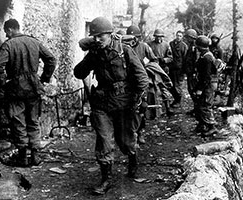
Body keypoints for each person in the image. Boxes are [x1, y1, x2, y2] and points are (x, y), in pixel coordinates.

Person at [74, 17, 148, 195]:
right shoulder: (95, 52)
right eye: (95, 37)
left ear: (110, 34)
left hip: (124, 103)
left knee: (125, 141)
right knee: (104, 140)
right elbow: (78, 72)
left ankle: (132, 158)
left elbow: (142, 78)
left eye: (101, 36)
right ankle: (106, 179)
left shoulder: (125, 50)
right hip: (102, 103)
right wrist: (89, 55)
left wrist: (139, 100)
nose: (98, 40)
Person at [0, 19, 56, 167]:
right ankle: (35, 156)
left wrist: (4, 82)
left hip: (16, 89)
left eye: (6, 32)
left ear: (10, 30)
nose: (6, 35)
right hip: (34, 88)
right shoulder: (34, 42)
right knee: (34, 120)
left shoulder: (9, 45)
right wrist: (44, 78)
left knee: (18, 122)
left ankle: (22, 157)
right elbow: (51, 60)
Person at [125, 25, 158, 144]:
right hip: (128, 81)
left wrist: (145, 65)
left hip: (142, 81)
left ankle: (140, 132)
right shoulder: (123, 48)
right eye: (129, 37)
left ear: (139, 38)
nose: (132, 40)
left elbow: (154, 60)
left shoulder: (144, 47)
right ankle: (129, 133)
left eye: (135, 37)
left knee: (142, 108)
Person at [194, 35, 218, 137]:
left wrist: (200, 89)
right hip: (207, 83)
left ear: (200, 47)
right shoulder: (205, 55)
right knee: (201, 104)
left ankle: (212, 127)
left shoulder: (207, 58)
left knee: (206, 105)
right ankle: (203, 124)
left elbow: (206, 77)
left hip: (208, 84)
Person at [148, 29, 174, 116]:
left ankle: (168, 107)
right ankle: (156, 110)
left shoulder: (166, 45)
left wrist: (164, 60)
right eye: (157, 36)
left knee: (165, 88)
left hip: (163, 69)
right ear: (154, 36)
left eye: (160, 36)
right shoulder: (149, 45)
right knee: (155, 88)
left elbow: (170, 57)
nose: (159, 38)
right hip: (154, 69)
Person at [169, 30, 188, 109]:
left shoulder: (184, 46)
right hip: (172, 68)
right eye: (177, 35)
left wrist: (184, 70)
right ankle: (175, 99)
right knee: (171, 85)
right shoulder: (171, 44)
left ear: (182, 37)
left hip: (180, 69)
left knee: (178, 85)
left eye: (180, 36)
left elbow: (185, 58)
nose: (178, 37)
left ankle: (178, 100)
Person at [183, 29, 198, 116]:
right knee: (191, 90)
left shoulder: (195, 47)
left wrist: (194, 72)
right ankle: (196, 108)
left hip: (193, 73)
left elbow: (195, 61)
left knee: (193, 91)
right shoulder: (191, 45)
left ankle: (197, 110)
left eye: (188, 37)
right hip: (190, 72)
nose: (187, 39)